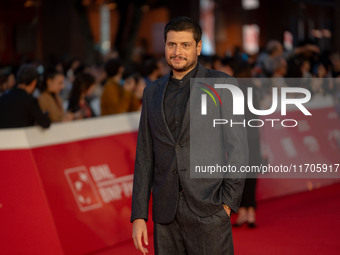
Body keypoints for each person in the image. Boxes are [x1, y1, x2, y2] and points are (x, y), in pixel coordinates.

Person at [131, 16, 248, 255]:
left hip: (210, 210)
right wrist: (139, 215)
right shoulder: (152, 93)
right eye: (172, 44)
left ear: (198, 46)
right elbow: (144, 156)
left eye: (185, 45)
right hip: (166, 215)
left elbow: (239, 149)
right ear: (164, 46)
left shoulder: (222, 84)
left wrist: (226, 203)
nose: (177, 51)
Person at [0, 64, 51, 129]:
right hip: (21, 138)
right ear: (34, 82)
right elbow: (45, 123)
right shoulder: (30, 101)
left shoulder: (3, 97)